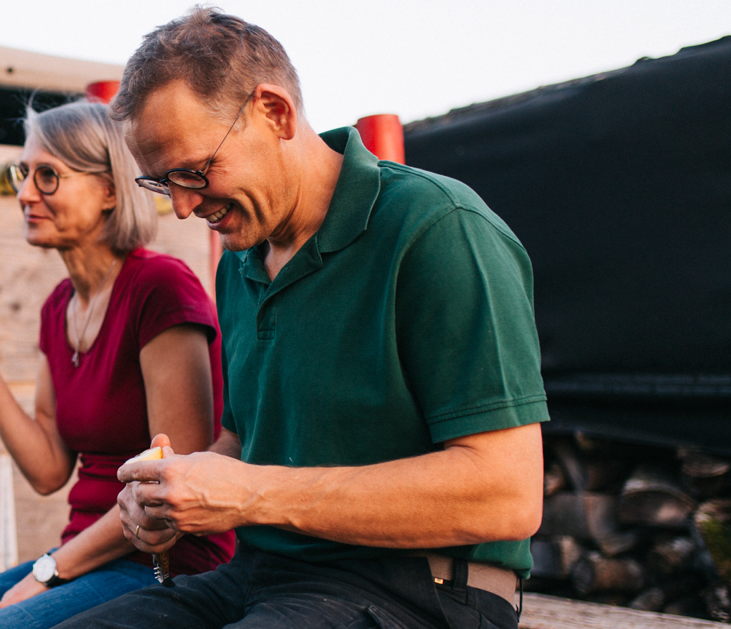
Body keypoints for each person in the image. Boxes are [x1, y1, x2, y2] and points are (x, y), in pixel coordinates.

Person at [53, 9, 547, 629]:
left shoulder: (438, 227)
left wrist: (249, 494)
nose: (181, 207)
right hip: (258, 574)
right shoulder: (238, 261)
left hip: (422, 587)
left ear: (275, 112)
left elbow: (507, 495)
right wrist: (170, 498)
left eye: (194, 171)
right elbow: (242, 441)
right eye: (161, 183)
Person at [0, 100, 235, 629]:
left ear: (109, 189)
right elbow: (46, 470)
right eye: (23, 174)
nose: (25, 194)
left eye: (48, 176)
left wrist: (47, 572)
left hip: (165, 564)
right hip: (82, 557)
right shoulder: (59, 306)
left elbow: (170, 483)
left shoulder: (159, 289)